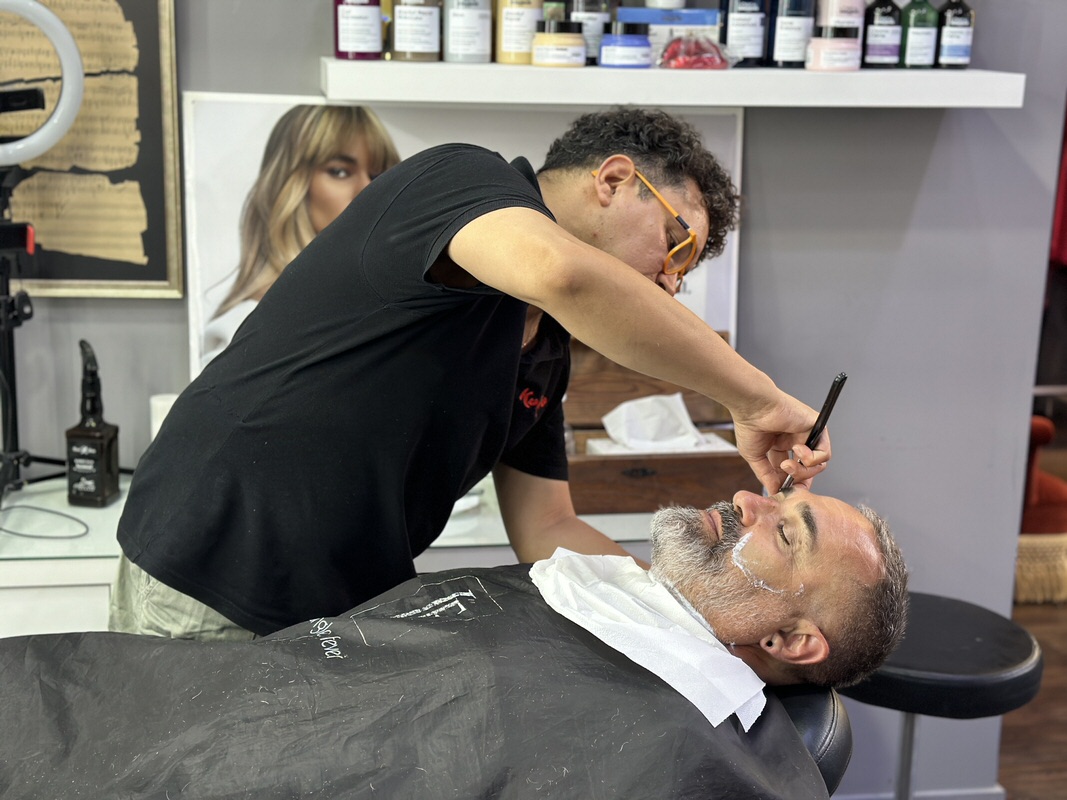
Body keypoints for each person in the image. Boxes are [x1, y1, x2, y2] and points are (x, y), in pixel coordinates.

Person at [111, 106, 836, 641]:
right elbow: (563, 274)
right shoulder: (459, 181)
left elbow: (545, 524)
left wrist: (679, 604)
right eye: (676, 246)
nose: (670, 283)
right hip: (213, 567)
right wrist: (755, 398)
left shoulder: (543, 353)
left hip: (339, 607)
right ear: (615, 180)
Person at [4, 488, 907, 800]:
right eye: (772, 501)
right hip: (185, 702)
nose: (747, 502)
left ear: (792, 639)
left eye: (784, 533)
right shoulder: (588, 595)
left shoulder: (674, 751)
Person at [201, 104, 401, 366]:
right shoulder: (244, 332)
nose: (368, 189)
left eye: (378, 174)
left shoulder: (388, 309)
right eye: (340, 171)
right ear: (290, 184)